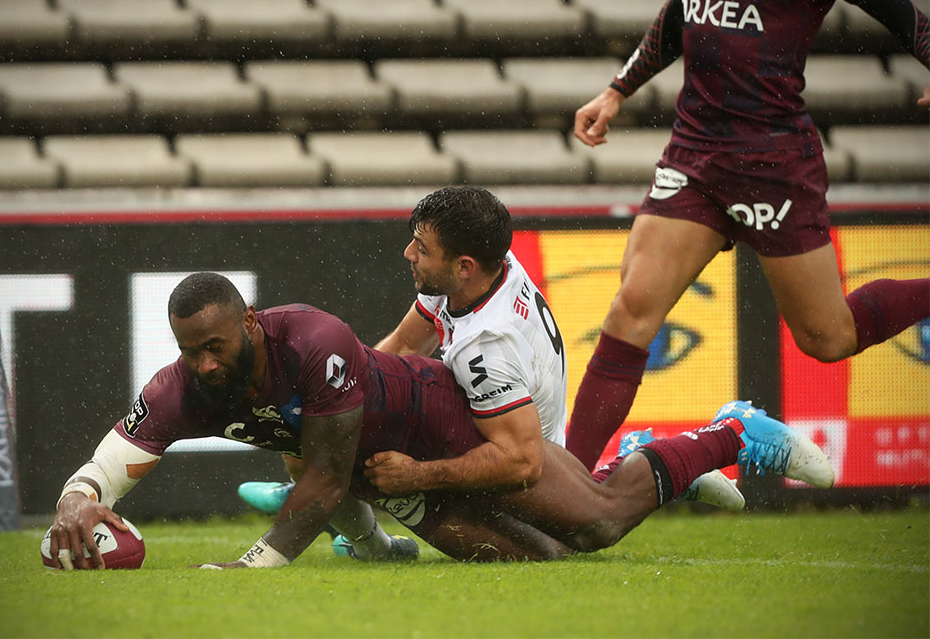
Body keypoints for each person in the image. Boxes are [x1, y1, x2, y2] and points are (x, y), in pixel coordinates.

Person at [47, 272, 833, 570]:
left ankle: (729, 434)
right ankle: (635, 461)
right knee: (547, 559)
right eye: (190, 352)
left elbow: (324, 479)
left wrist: (250, 567)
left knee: (598, 523)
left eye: (215, 347)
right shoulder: (183, 385)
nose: (204, 365)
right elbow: (120, 451)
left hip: (448, 430)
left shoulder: (313, 340)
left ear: (249, 323)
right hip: (394, 479)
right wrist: (79, 499)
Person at [567, 0, 930, 471]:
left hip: (773, 163)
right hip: (695, 155)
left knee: (828, 338)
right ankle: (568, 484)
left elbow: (898, 8)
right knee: (630, 311)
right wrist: (618, 90)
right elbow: (686, 8)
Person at [240, 187, 742, 513]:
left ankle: (714, 440)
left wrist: (417, 475)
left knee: (564, 540)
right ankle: (340, 512)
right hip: (505, 431)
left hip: (524, 460)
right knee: (344, 415)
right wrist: (342, 399)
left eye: (422, 248)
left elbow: (521, 463)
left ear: (463, 266)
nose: (408, 253)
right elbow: (406, 345)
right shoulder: (476, 272)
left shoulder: (486, 345)